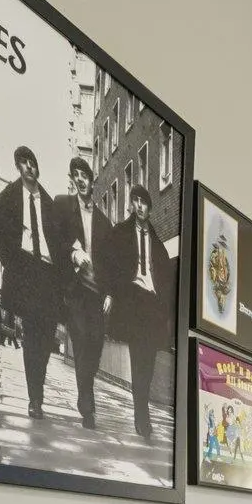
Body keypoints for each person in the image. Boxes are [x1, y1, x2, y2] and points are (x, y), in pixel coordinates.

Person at [0, 146, 62, 418]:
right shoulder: (9, 197)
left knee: (46, 337)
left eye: (31, 161)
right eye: (23, 163)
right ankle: (35, 398)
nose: (28, 167)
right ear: (18, 168)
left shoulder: (49, 203)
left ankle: (37, 390)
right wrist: (12, 264)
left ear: (37, 166)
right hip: (26, 270)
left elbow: (59, 241)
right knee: (33, 336)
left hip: (49, 274)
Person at [51, 157, 117, 428]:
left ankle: (86, 391)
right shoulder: (63, 206)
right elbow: (54, 235)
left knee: (95, 346)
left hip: (97, 295)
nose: (80, 179)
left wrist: (110, 293)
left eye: (84, 175)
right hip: (76, 291)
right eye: (75, 175)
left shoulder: (103, 222)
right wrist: (73, 251)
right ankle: (87, 404)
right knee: (80, 343)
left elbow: (111, 263)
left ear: (92, 181)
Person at [109, 183, 173, 439]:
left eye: (143, 201)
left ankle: (142, 409)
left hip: (152, 305)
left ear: (149, 206)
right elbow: (111, 265)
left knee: (149, 361)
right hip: (133, 300)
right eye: (135, 201)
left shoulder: (157, 243)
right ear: (132, 205)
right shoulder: (121, 233)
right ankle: (141, 414)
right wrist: (114, 293)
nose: (139, 206)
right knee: (138, 359)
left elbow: (167, 278)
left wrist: (164, 307)